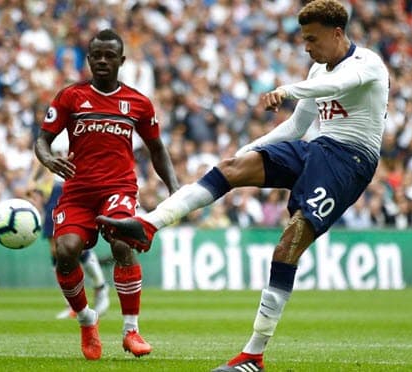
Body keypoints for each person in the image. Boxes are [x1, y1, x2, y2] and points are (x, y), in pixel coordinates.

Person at [96, 1, 389, 371]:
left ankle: (253, 354)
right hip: (317, 149)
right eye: (303, 39)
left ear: (337, 34)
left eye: (312, 39)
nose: (306, 47)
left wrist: (286, 89)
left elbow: (339, 84)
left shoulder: (368, 64)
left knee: (289, 244)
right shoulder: (316, 68)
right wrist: (246, 151)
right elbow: (297, 129)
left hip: (351, 161)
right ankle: (149, 223)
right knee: (231, 168)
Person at [34, 29, 179, 361]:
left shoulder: (138, 103)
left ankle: (131, 331)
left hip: (119, 188)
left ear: (121, 60)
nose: (102, 61)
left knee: (122, 240)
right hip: (78, 192)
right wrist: (48, 159)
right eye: (96, 55)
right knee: (66, 251)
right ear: (88, 59)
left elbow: (157, 149)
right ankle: (87, 319)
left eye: (109, 56)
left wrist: (174, 189)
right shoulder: (70, 97)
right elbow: (42, 139)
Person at [28, 141, 110, 320]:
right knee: (56, 248)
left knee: (77, 243)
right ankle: (73, 303)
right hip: (56, 188)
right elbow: (42, 155)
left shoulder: (81, 121)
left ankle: (100, 286)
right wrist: (34, 181)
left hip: (78, 184)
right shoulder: (54, 124)